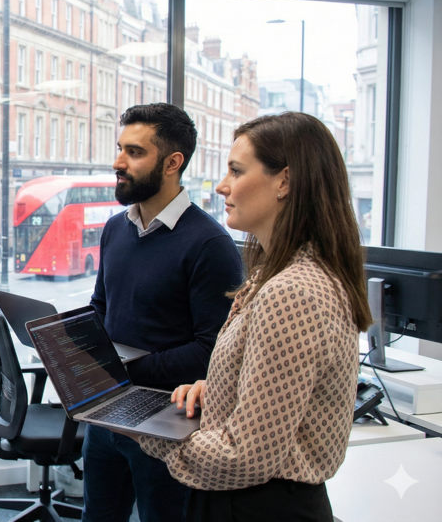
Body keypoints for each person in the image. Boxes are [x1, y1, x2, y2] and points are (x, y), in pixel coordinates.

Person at [135, 112, 372, 522]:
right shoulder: (283, 274)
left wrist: (149, 430)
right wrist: (222, 389)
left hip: (258, 505)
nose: (222, 185)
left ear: (285, 181)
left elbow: (246, 456)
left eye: (236, 171)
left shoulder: (291, 292)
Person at [83, 103, 243, 522]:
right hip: (108, 414)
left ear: (173, 163)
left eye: (134, 152)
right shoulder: (116, 228)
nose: (118, 162)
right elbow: (103, 307)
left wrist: (124, 370)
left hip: (169, 424)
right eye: (120, 148)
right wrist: (74, 343)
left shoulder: (210, 245)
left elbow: (212, 352)